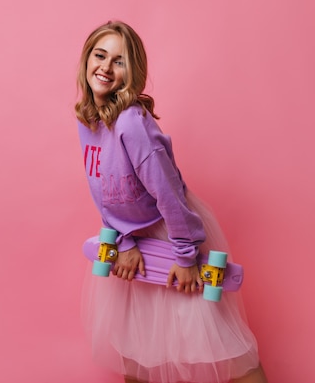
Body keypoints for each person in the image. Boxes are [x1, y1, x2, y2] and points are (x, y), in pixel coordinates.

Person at [75, 20, 268, 383]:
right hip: (130, 239)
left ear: (133, 72)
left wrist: (184, 254)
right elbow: (101, 190)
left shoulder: (132, 124)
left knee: (223, 345)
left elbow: (168, 193)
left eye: (119, 61)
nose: (105, 67)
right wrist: (126, 241)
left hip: (171, 233)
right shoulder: (89, 120)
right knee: (135, 350)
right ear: (86, 60)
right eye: (100, 55)